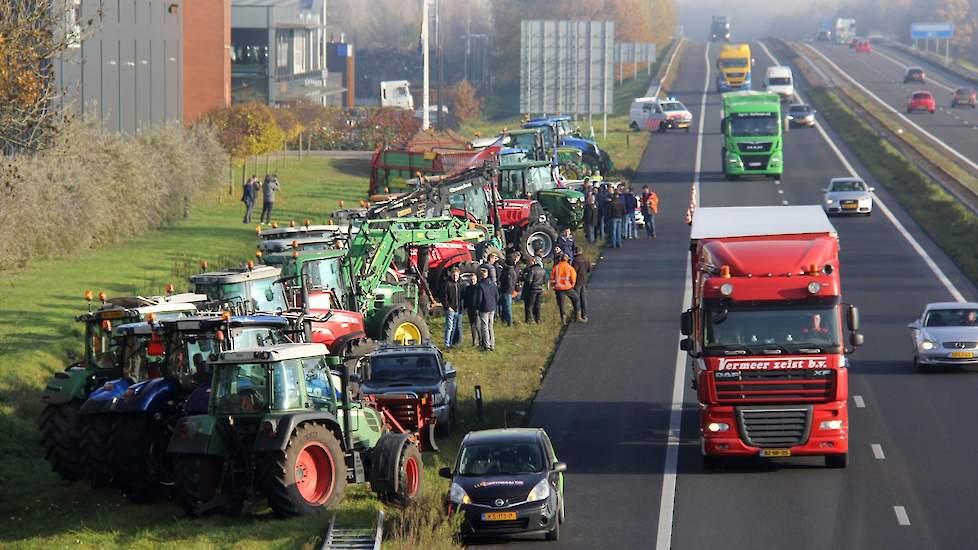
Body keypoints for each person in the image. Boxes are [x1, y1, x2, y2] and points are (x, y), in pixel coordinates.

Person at [550, 254, 579, 324]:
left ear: (560, 259)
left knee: (561, 304)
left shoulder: (556, 268)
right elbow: (573, 278)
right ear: (567, 259)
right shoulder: (570, 268)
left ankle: (563, 320)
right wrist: (572, 285)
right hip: (568, 288)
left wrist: (554, 285)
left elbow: (552, 278)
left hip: (558, 289)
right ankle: (577, 315)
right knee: (576, 298)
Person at [475, 266, 499, 351]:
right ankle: (492, 344)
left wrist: (477, 307)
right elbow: (497, 295)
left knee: (484, 327)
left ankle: (487, 345)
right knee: (490, 326)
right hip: (492, 307)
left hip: (484, 308)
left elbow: (479, 299)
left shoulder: (480, 285)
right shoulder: (492, 283)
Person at [441, 267, 465, 348]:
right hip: (450, 309)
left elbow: (462, 296)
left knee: (454, 327)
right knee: (449, 327)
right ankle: (446, 344)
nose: (455, 277)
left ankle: (451, 343)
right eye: (454, 275)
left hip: (458, 308)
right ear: (451, 274)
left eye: (457, 275)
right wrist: (447, 307)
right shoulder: (447, 284)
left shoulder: (460, 283)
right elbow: (444, 297)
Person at [521, 257, 547, 323]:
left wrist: (524, 278)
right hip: (540, 289)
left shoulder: (531, 270)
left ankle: (530, 320)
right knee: (538, 305)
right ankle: (538, 319)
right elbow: (544, 281)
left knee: (529, 305)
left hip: (532, 289)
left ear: (532, 262)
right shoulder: (543, 270)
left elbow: (529, 281)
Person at [498, 252, 520, 326]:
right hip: (506, 290)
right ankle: (506, 321)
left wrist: (508, 291)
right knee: (505, 307)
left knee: (507, 307)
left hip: (507, 291)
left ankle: (510, 323)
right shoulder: (509, 269)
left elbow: (509, 283)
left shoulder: (509, 271)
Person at [571, 246, 591, 322]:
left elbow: (573, 272)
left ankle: (577, 316)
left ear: (575, 252)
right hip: (584, 281)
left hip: (577, 282)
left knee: (576, 299)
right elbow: (589, 269)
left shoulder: (576, 260)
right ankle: (584, 315)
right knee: (583, 298)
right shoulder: (586, 259)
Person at [464, 273, 482, 347]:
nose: (472, 281)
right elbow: (465, 298)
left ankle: (481, 341)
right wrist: (465, 307)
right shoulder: (468, 288)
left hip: (477, 309)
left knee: (478, 326)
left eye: (474, 279)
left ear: (476, 279)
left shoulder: (479, 288)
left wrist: (479, 307)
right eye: (471, 279)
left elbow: (480, 299)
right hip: (470, 309)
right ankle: (474, 341)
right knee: (472, 326)